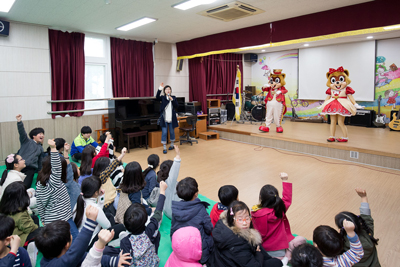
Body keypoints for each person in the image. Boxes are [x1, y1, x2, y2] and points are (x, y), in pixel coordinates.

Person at [35, 205, 123, 267]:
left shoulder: (53, 254)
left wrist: (114, 262)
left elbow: (84, 256)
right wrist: (90, 223)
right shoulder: (54, 265)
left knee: (107, 251)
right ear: (66, 244)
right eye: (70, 234)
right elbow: (77, 253)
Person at [251, 172, 306, 266]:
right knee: (301, 239)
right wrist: (285, 180)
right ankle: (287, 257)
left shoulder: (256, 213)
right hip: (280, 250)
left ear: (261, 198)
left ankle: (281, 260)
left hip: (264, 250)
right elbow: (287, 199)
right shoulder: (279, 210)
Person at [208, 200, 283, 267]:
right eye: (240, 219)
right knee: (277, 263)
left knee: (260, 247)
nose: (245, 223)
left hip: (220, 261)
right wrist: (258, 253)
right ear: (232, 220)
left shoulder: (222, 223)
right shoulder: (238, 242)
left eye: (247, 218)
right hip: (232, 262)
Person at [36, 139, 79, 240]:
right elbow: (57, 167)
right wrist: (53, 148)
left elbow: (40, 204)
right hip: (62, 220)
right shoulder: (54, 183)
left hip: (49, 220)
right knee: (76, 242)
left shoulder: (40, 183)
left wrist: (43, 218)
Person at [120, 181, 168, 266]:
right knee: (157, 233)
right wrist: (162, 191)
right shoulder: (150, 230)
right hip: (153, 264)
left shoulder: (125, 242)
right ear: (146, 219)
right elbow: (158, 211)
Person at [171, 177, 214, 264]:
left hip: (181, 247)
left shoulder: (176, 208)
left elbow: (173, 229)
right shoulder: (201, 209)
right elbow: (209, 228)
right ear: (196, 194)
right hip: (199, 251)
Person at [73, 176, 125, 248]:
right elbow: (107, 226)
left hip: (81, 238)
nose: (101, 189)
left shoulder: (80, 201)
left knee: (108, 215)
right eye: (100, 187)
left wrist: (101, 197)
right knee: (121, 227)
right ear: (96, 192)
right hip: (90, 242)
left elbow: (100, 212)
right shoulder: (96, 208)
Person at [334, 188, 380, 267]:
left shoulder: (343, 244)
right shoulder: (367, 231)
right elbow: (366, 216)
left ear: (342, 229)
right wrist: (363, 197)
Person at [0, 182, 40, 247]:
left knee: (35, 218)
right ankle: (30, 245)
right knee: (41, 231)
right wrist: (37, 228)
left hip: (10, 234)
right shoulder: (20, 213)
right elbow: (29, 228)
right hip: (17, 241)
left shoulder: (5, 206)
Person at [16, 114, 44, 188]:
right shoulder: (26, 141)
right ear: (33, 136)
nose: (42, 135)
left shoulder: (41, 148)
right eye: (40, 134)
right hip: (19, 165)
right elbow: (22, 132)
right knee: (15, 182)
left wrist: (40, 173)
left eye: (43, 134)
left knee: (26, 185)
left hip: (30, 168)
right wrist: (19, 121)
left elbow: (40, 161)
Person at [158, 145, 181, 219]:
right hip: (172, 213)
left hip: (166, 209)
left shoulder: (161, 180)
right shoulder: (169, 183)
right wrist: (178, 156)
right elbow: (174, 171)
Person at [155, 82, 179, 154]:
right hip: (164, 118)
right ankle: (164, 147)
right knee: (164, 132)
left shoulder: (173, 97)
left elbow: (177, 106)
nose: (168, 90)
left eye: (169, 89)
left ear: (171, 90)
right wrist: (160, 88)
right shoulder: (163, 98)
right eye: (166, 89)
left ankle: (171, 144)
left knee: (172, 132)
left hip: (172, 118)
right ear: (164, 91)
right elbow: (157, 97)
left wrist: (172, 100)